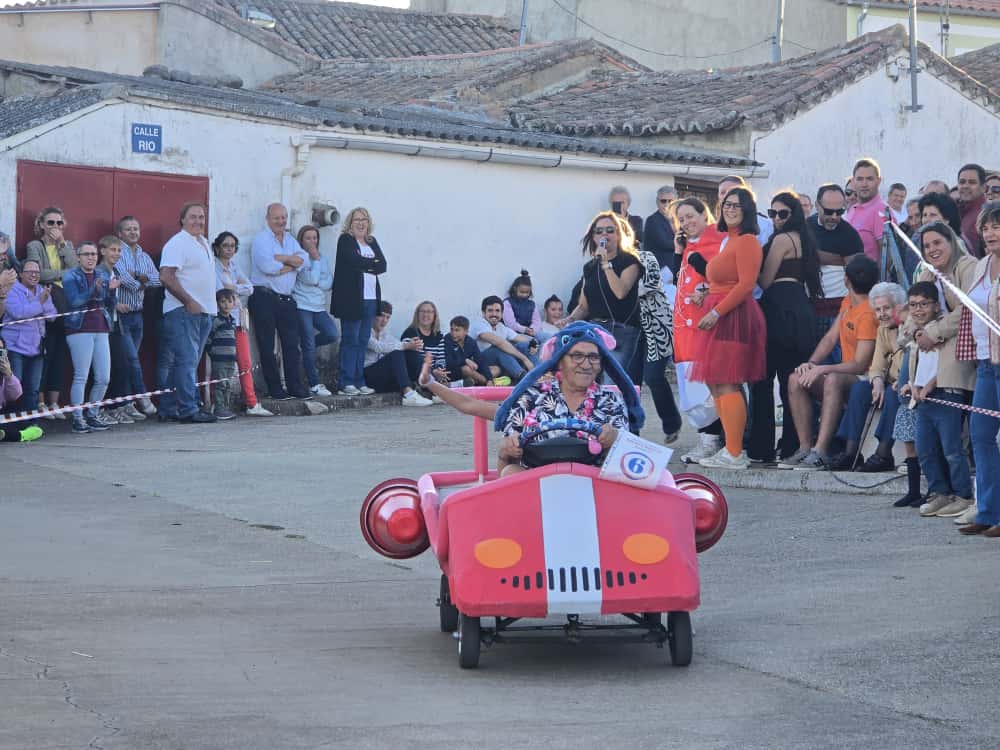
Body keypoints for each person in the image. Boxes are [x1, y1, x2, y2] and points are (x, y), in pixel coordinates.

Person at [688, 186, 766, 469]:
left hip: (734, 316)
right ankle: (730, 448)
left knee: (726, 380)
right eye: (727, 204)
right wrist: (706, 291)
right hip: (721, 312)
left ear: (747, 210)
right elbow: (726, 279)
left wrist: (717, 311)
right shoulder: (729, 241)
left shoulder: (747, 241)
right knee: (716, 381)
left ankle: (734, 452)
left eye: (737, 205)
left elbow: (746, 284)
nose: (730, 209)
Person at [496, 323, 636, 476]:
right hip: (536, 486)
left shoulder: (611, 401)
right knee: (510, 472)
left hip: (594, 487)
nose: (586, 364)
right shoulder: (530, 397)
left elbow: (625, 461)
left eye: (593, 357)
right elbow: (508, 454)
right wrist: (507, 448)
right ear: (560, 361)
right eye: (577, 356)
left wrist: (614, 439)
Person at [779, 255, 879, 469]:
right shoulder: (848, 302)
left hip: (868, 378)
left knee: (832, 379)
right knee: (796, 379)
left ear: (846, 280)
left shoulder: (869, 313)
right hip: (846, 373)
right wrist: (811, 364)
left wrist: (823, 368)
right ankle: (805, 448)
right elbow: (830, 338)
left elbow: (861, 364)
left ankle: (821, 451)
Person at [748, 190, 821, 463]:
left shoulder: (781, 239)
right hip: (799, 308)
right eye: (772, 213)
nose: (776, 218)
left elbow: (765, 281)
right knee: (792, 382)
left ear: (794, 215)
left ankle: (762, 447)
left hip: (779, 309)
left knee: (764, 381)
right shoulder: (805, 239)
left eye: (782, 213)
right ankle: (792, 444)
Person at [899, 282, 974, 519]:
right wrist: (911, 385)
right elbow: (917, 366)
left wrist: (928, 387)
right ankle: (939, 491)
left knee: (952, 449)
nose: (918, 310)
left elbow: (946, 366)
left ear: (935, 305)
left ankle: (962, 495)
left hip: (945, 395)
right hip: (923, 400)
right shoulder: (916, 333)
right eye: (913, 305)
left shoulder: (941, 330)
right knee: (926, 449)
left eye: (924, 304)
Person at [670, 198, 727, 463]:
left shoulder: (716, 240)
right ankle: (706, 439)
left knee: (707, 388)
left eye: (691, 216)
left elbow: (723, 277)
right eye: (681, 219)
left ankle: (715, 441)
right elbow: (679, 278)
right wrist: (677, 250)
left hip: (704, 324)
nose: (686, 222)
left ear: (705, 215)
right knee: (691, 386)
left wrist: (704, 290)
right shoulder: (686, 246)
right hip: (684, 326)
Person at [830, 282, 907, 472]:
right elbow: (877, 365)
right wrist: (877, 380)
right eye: (878, 310)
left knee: (891, 394)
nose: (882, 314)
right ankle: (851, 453)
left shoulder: (909, 328)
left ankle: (883, 453)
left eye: (887, 308)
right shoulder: (882, 329)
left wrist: (899, 381)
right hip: (888, 381)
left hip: (905, 384)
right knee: (860, 388)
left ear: (899, 306)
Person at [560, 211, 643, 382]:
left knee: (610, 383)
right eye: (599, 231)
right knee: (592, 382)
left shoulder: (629, 262)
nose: (604, 234)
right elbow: (584, 306)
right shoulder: (590, 267)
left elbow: (620, 292)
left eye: (610, 230)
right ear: (593, 237)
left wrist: (606, 264)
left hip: (621, 330)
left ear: (619, 234)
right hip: (596, 329)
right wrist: (569, 319)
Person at [958, 201, 1000, 536]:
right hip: (986, 363)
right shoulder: (982, 265)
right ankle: (988, 510)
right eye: (986, 227)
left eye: (997, 226)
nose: (990, 232)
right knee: (981, 436)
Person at [159, 202, 218, 424]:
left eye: (201, 217)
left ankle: (167, 407)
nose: (198, 221)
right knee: (186, 361)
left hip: (204, 312)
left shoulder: (203, 243)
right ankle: (188, 409)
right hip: (183, 311)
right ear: (182, 219)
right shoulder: (177, 243)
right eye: (193, 217)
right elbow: (166, 276)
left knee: (185, 363)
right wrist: (188, 301)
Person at [249, 203, 309, 400]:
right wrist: (291, 263)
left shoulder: (290, 239)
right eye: (277, 218)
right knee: (267, 347)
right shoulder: (260, 240)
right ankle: (275, 389)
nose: (281, 221)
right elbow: (268, 266)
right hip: (264, 297)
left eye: (284, 217)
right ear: (268, 218)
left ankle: (295, 387)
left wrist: (282, 259)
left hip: (286, 299)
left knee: (292, 345)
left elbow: (305, 261)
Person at [213, 232, 271, 417]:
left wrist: (233, 287)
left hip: (238, 320)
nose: (229, 249)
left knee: (244, 363)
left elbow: (250, 288)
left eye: (232, 246)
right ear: (218, 247)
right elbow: (219, 292)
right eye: (225, 245)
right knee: (221, 366)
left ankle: (251, 402)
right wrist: (232, 290)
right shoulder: (213, 266)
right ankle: (217, 403)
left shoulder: (234, 267)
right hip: (221, 321)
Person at [26, 206, 76, 418]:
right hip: (46, 303)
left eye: (59, 223)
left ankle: (54, 403)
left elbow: (77, 271)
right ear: (41, 225)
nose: (55, 227)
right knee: (43, 353)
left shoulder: (67, 246)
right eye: (50, 223)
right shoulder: (35, 246)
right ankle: (40, 401)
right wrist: (63, 274)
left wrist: (62, 245)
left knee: (59, 354)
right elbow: (39, 273)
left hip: (64, 306)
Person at [62, 240, 117, 434]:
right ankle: (78, 417)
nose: (91, 258)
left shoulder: (102, 274)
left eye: (93, 254)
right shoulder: (70, 275)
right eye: (86, 254)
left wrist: (112, 290)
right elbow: (74, 300)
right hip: (79, 328)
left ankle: (93, 414)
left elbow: (110, 303)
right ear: (78, 257)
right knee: (81, 375)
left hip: (101, 327)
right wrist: (94, 290)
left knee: (104, 377)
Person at [331, 207, 385, 396]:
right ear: (350, 224)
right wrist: (371, 265)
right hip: (352, 300)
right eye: (356, 220)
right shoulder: (346, 240)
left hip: (371, 299)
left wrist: (365, 265)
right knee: (350, 340)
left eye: (364, 219)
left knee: (363, 341)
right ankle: (346, 382)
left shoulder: (372, 241)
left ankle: (359, 380)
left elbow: (383, 265)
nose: (361, 223)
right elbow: (353, 260)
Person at [810, 184, 865, 357]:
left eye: (839, 212)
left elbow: (858, 275)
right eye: (828, 211)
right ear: (817, 205)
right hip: (809, 307)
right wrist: (837, 258)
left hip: (838, 310)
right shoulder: (806, 227)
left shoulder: (850, 235)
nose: (834, 217)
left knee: (836, 364)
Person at [1, 259, 56, 428]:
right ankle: (12, 425)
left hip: (36, 347)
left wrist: (36, 306)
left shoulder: (41, 290)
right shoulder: (13, 290)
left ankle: (31, 424)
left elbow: (53, 315)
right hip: (15, 347)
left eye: (37, 272)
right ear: (21, 274)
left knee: (32, 389)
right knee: (14, 389)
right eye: (30, 272)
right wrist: (39, 303)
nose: (34, 275)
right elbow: (18, 313)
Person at [114, 215, 160, 417]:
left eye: (136, 228)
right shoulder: (118, 252)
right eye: (128, 229)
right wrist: (140, 281)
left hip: (138, 315)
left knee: (128, 361)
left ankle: (126, 405)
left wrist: (138, 279)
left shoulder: (144, 255)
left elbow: (157, 280)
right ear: (120, 233)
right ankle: (142, 396)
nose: (133, 232)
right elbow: (122, 277)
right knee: (131, 359)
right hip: (122, 316)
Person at [636, 244, 681, 443]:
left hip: (656, 327)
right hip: (629, 328)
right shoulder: (602, 263)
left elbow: (651, 283)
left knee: (653, 376)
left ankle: (672, 423)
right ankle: (631, 431)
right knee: (630, 382)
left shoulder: (647, 257)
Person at [293, 225, 338, 398]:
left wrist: (318, 272)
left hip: (318, 306)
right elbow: (311, 278)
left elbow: (328, 283)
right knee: (310, 344)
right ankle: (314, 383)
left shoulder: (322, 258)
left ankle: (306, 347)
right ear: (301, 241)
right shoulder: (301, 258)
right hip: (303, 305)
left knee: (332, 334)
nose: (312, 242)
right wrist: (315, 262)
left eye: (315, 238)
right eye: (308, 238)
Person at [94, 236, 134, 426]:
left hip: (115, 325)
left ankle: (113, 407)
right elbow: (95, 298)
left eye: (119, 250)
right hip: (102, 326)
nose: (116, 254)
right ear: (102, 251)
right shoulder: (99, 272)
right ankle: (100, 408)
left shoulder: (115, 271)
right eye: (112, 250)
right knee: (104, 370)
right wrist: (114, 303)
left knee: (121, 367)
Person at [363, 300, 433, 406]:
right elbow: (378, 347)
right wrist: (405, 345)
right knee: (396, 353)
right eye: (381, 316)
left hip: (384, 380)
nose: (384, 321)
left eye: (387, 317)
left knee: (410, 353)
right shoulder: (364, 331)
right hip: (369, 378)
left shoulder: (385, 334)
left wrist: (411, 343)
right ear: (373, 316)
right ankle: (409, 395)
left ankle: (434, 391)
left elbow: (397, 343)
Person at [470, 296, 537, 382]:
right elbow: (499, 342)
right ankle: (523, 377)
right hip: (478, 363)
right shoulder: (479, 324)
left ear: (501, 314)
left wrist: (533, 343)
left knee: (526, 346)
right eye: (490, 310)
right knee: (499, 348)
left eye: (497, 311)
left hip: (498, 363)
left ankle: (540, 373)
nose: (494, 314)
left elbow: (522, 339)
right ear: (483, 313)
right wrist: (524, 359)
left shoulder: (502, 327)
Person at [845, 158, 889, 264]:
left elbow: (887, 259)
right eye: (860, 179)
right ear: (853, 181)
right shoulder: (852, 209)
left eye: (869, 179)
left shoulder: (881, 211)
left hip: (871, 279)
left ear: (878, 181)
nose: (864, 184)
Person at [0, 338, 43, 442]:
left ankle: (8, 434)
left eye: (1, 350)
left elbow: (15, 395)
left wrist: (9, 375)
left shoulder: (4, 371)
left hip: (3, 413)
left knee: (31, 425)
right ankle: (16, 435)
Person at [206, 288, 239, 420]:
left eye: (229, 301)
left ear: (234, 303)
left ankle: (225, 407)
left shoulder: (232, 321)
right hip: (219, 359)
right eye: (223, 302)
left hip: (231, 359)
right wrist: (212, 352)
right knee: (220, 384)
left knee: (228, 384)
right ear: (217, 303)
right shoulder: (216, 321)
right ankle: (219, 408)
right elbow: (209, 338)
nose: (226, 305)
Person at [401, 300, 448, 385]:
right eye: (422, 311)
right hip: (416, 372)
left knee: (451, 362)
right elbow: (411, 358)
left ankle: (446, 384)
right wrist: (433, 371)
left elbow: (441, 359)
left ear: (434, 315)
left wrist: (438, 369)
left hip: (433, 372)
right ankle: (436, 386)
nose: (426, 315)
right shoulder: (410, 332)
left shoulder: (438, 336)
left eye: (429, 312)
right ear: (417, 314)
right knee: (415, 357)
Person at [717, 175, 773, 246]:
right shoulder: (724, 238)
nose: (727, 196)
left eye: (733, 192)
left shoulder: (765, 226)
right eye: (722, 192)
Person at [443, 315, 487, 385]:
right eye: (452, 329)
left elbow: (479, 360)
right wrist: (465, 361)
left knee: (495, 369)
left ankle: (472, 381)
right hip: (451, 372)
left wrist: (489, 377)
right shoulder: (447, 340)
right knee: (467, 369)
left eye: (457, 330)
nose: (453, 333)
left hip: (469, 371)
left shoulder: (471, 342)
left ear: (466, 331)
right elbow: (449, 362)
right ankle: (485, 382)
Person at [644, 185, 678, 271]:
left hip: (677, 269)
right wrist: (687, 243)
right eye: (663, 201)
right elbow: (665, 244)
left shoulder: (679, 219)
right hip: (660, 271)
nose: (667, 204)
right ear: (657, 202)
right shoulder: (652, 220)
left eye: (670, 201)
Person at [956, 163, 987, 257]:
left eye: (972, 182)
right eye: (962, 182)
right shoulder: (955, 210)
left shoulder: (988, 213)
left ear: (983, 188)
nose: (965, 186)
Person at [502, 270, 541, 338]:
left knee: (546, 337)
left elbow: (537, 321)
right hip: (514, 335)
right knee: (530, 344)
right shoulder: (507, 303)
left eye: (527, 292)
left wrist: (532, 329)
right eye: (522, 292)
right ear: (515, 289)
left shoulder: (532, 304)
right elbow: (510, 324)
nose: (524, 295)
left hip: (531, 333)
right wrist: (525, 330)